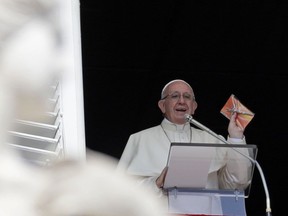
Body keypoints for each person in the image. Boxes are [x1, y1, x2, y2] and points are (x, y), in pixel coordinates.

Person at [117, 79, 253, 215]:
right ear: (162, 105)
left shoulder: (212, 139)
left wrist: (236, 137)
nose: (181, 101)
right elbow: (122, 191)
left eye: (187, 97)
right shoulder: (140, 139)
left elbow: (236, 184)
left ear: (194, 106)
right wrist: (157, 182)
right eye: (175, 96)